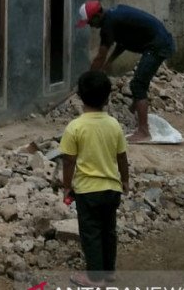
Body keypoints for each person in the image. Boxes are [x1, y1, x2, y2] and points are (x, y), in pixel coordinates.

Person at [60, 70, 129, 287]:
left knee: (91, 233)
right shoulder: (114, 125)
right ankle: (109, 272)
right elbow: (122, 157)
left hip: (88, 192)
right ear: (108, 98)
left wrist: (66, 186)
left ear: (79, 96)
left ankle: (95, 277)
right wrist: (125, 180)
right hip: (111, 189)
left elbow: (69, 161)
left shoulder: (75, 127)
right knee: (109, 230)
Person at [77, 0, 175, 143]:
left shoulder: (107, 26)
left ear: (97, 16)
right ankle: (133, 114)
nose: (90, 26)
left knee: (138, 84)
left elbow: (99, 56)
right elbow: (122, 43)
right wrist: (108, 64)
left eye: (90, 22)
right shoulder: (114, 16)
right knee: (140, 81)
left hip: (158, 45)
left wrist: (88, 80)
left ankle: (143, 131)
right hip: (160, 40)